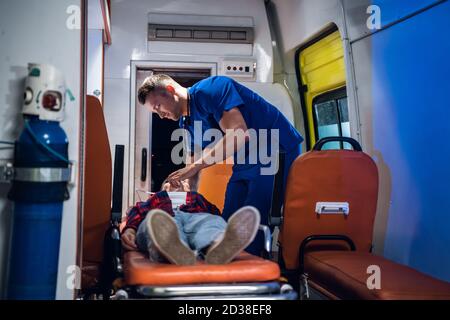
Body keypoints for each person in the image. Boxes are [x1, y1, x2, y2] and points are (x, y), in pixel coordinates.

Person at [137, 74, 303, 255]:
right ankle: (222, 263)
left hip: (274, 150)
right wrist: (185, 192)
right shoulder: (187, 122)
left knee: (255, 219)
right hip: (245, 160)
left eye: (158, 106)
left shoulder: (212, 89)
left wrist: (193, 168)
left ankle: (250, 273)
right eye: (155, 112)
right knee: (228, 218)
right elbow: (192, 164)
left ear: (170, 90)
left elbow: (239, 134)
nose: (160, 115)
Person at [121, 179, 260, 265]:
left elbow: (214, 215)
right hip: (164, 218)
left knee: (212, 221)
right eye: (171, 182)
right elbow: (137, 212)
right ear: (164, 187)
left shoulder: (196, 198)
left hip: (195, 219)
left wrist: (190, 193)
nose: (178, 183)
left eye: (183, 181)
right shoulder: (156, 198)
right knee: (155, 221)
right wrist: (130, 229)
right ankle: (169, 248)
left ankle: (217, 245)